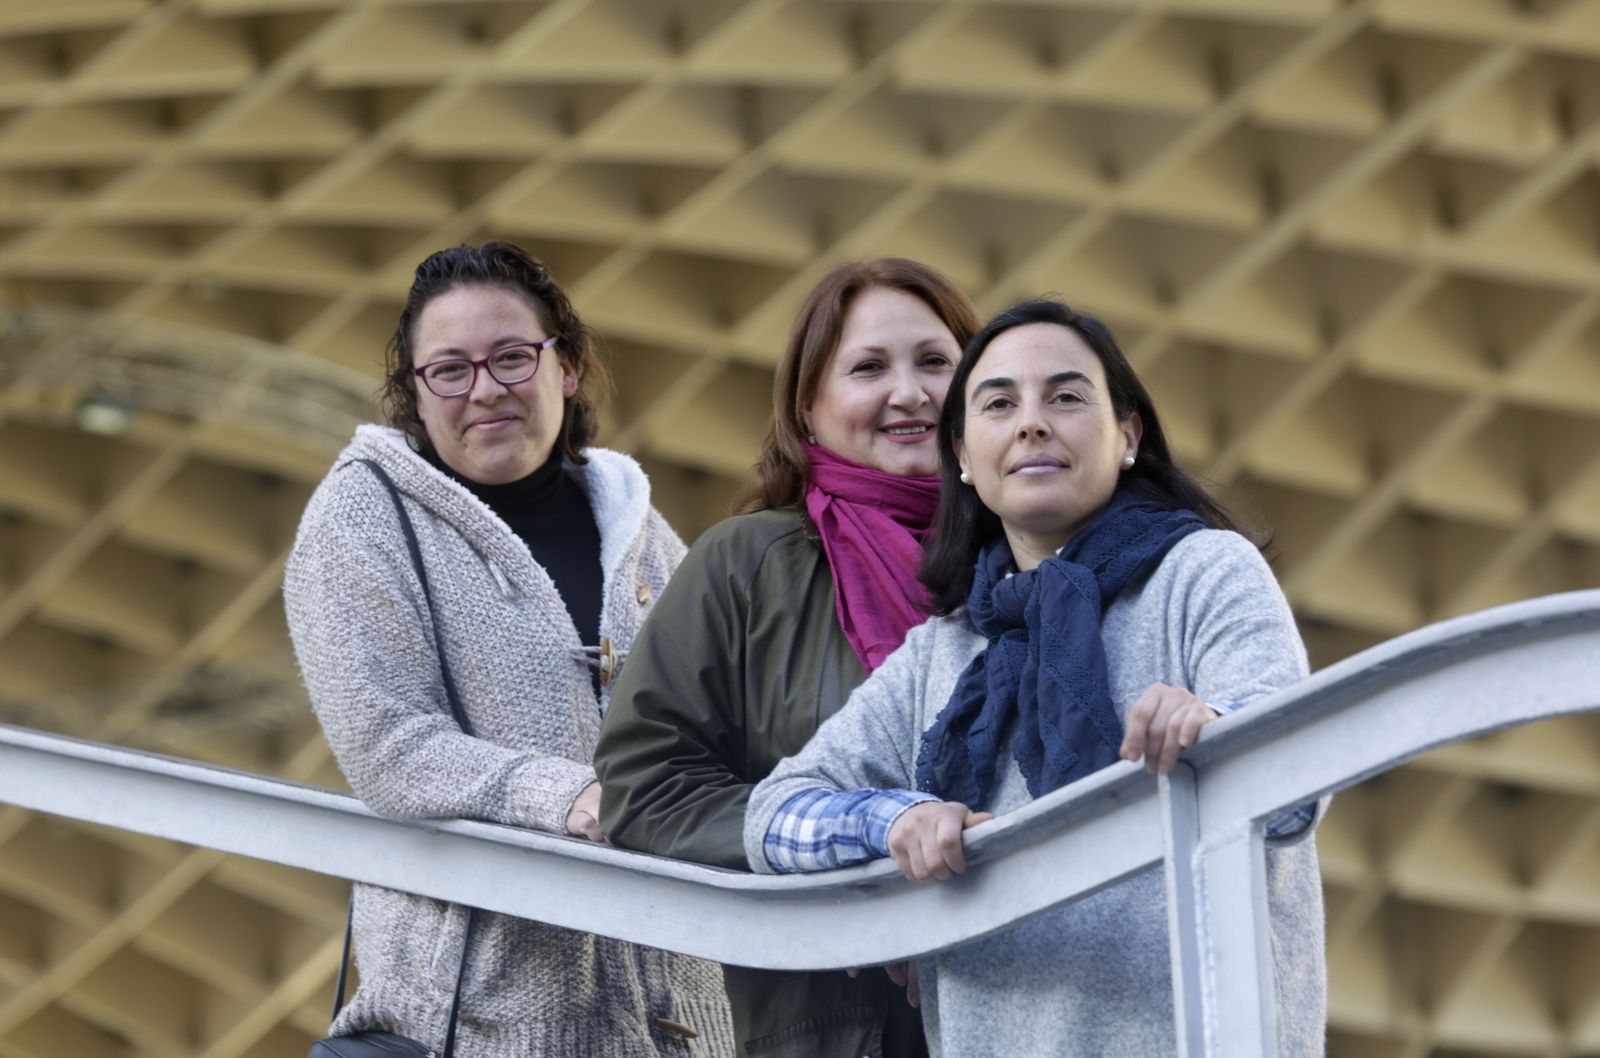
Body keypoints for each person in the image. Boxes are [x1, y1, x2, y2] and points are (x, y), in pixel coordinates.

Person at [744, 298, 1327, 1057]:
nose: (1031, 423)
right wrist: (896, 822)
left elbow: (1296, 788)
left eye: (1066, 397)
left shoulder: (1204, 572)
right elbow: (775, 818)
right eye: (998, 403)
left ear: (1128, 435)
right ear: (961, 453)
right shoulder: (942, 650)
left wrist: (1218, 735)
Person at [283, 241, 734, 1056]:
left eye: (512, 357)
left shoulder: (651, 542)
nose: (484, 389)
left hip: (672, 1031)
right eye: (449, 370)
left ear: (566, 368)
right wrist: (568, 796)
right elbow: (391, 748)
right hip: (467, 1030)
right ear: (415, 396)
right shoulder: (361, 518)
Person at [594, 258, 981, 1058]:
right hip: (835, 1027)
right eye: (869, 367)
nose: (909, 392)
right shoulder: (745, 565)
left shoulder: (1040, 555)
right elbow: (647, 788)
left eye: (936, 363)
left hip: (1035, 1010)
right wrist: (858, 855)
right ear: (808, 406)